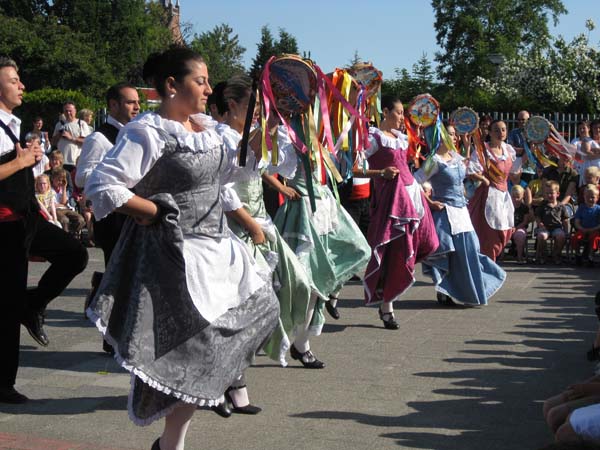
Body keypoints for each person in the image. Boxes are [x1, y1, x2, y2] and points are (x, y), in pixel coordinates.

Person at [85, 47, 279, 450]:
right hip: (174, 256)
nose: (209, 89)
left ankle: (170, 443)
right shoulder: (147, 131)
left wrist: (258, 142)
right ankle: (172, 445)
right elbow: (103, 185)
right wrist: (153, 209)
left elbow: (227, 177)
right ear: (171, 86)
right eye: (201, 81)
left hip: (216, 252)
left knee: (262, 310)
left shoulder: (207, 130)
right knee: (190, 354)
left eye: (208, 81)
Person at [215, 76, 313, 414]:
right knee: (236, 306)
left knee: (297, 286)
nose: (257, 114)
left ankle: (232, 376)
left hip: (260, 225)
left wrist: (275, 126)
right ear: (231, 106)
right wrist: (250, 224)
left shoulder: (250, 134)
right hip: (232, 229)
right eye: (252, 108)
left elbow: (278, 165)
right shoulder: (219, 135)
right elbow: (224, 186)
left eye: (261, 109)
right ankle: (230, 384)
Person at [0, 56, 87, 404]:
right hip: (4, 224)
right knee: (5, 305)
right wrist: (20, 162)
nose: (21, 85)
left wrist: (30, 163)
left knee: (75, 254)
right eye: (13, 79)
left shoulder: (12, 123)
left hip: (26, 216)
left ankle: (31, 305)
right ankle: (3, 384)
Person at [363, 96, 438, 328]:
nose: (400, 117)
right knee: (394, 251)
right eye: (397, 112)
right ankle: (387, 307)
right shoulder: (373, 137)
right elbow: (355, 169)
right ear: (385, 111)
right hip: (391, 204)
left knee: (427, 243)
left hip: (412, 198)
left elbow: (409, 167)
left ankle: (389, 297)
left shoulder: (403, 139)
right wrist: (380, 173)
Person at [415, 121, 505, 306]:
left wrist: (468, 147)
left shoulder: (456, 157)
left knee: (470, 249)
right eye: (450, 134)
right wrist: (430, 203)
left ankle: (461, 290)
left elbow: (471, 170)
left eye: (454, 134)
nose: (454, 137)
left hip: (462, 212)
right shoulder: (434, 161)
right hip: (445, 213)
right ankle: (445, 290)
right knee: (449, 253)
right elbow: (415, 183)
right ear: (439, 137)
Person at [468, 119, 519, 261]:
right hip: (488, 195)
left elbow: (514, 173)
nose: (500, 132)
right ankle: (487, 263)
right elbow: (471, 170)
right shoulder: (482, 150)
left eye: (503, 129)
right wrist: (483, 178)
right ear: (489, 132)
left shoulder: (508, 149)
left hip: (503, 196)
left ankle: (490, 261)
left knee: (505, 231)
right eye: (496, 130)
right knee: (489, 232)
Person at [534, 180, 569, 265]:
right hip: (544, 227)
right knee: (542, 236)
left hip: (557, 227)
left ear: (557, 194)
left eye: (551, 193)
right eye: (546, 193)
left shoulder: (561, 206)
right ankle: (542, 254)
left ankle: (556, 254)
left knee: (561, 236)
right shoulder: (542, 205)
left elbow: (565, 219)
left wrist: (566, 230)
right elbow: (538, 216)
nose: (549, 195)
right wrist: (540, 224)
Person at [51, 101, 91, 171]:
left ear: (75, 111)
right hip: (61, 163)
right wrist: (59, 135)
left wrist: (71, 138)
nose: (68, 113)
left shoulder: (81, 124)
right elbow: (53, 143)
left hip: (75, 162)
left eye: (70, 111)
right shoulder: (59, 124)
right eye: (66, 111)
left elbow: (87, 142)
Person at [571, 184, 600, 266]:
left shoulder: (598, 209)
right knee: (576, 238)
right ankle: (578, 254)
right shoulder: (581, 207)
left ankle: (590, 255)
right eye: (588, 197)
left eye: (593, 197)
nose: (590, 199)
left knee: (595, 238)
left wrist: (594, 229)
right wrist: (581, 228)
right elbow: (577, 222)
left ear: (597, 198)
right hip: (582, 229)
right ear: (584, 197)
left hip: (594, 230)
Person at [507, 110, 536, 183]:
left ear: (528, 120)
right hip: (517, 166)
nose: (520, 122)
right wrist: (526, 151)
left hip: (531, 168)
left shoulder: (534, 133)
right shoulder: (513, 132)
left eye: (523, 120)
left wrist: (523, 151)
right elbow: (510, 149)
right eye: (518, 120)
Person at [510, 185, 533, 264]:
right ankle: (500, 256)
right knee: (500, 233)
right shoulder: (507, 206)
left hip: (520, 227)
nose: (515, 199)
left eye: (518, 197)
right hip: (509, 227)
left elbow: (525, 221)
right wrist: (510, 227)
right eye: (513, 197)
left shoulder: (524, 208)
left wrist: (516, 228)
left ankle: (519, 257)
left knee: (520, 235)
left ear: (523, 196)